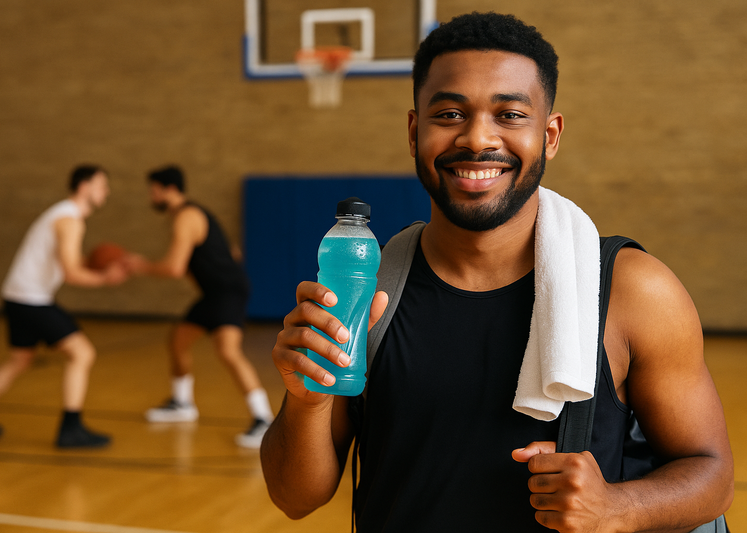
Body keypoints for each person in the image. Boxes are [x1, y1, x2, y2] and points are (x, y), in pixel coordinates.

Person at [260, 12, 734, 532]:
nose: (476, 139)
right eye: (448, 114)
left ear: (549, 135)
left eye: (509, 114)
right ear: (414, 131)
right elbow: (295, 498)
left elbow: (711, 474)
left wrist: (618, 508)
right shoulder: (365, 288)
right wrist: (307, 401)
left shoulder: (631, 290)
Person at [0, 165, 127, 448]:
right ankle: (70, 429)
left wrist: (96, 267)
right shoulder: (70, 220)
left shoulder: (61, 214)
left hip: (17, 297)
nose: (106, 192)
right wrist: (104, 279)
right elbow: (72, 273)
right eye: (101, 186)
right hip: (32, 299)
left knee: (19, 360)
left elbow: (68, 263)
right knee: (82, 354)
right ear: (84, 187)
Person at [127, 165, 273, 449]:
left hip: (226, 292)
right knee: (179, 339)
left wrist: (138, 265)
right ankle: (182, 403)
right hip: (216, 292)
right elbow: (230, 252)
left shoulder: (185, 217)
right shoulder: (194, 214)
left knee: (228, 352)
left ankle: (263, 419)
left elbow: (173, 267)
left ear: (168, 189)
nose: (151, 196)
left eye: (153, 189)